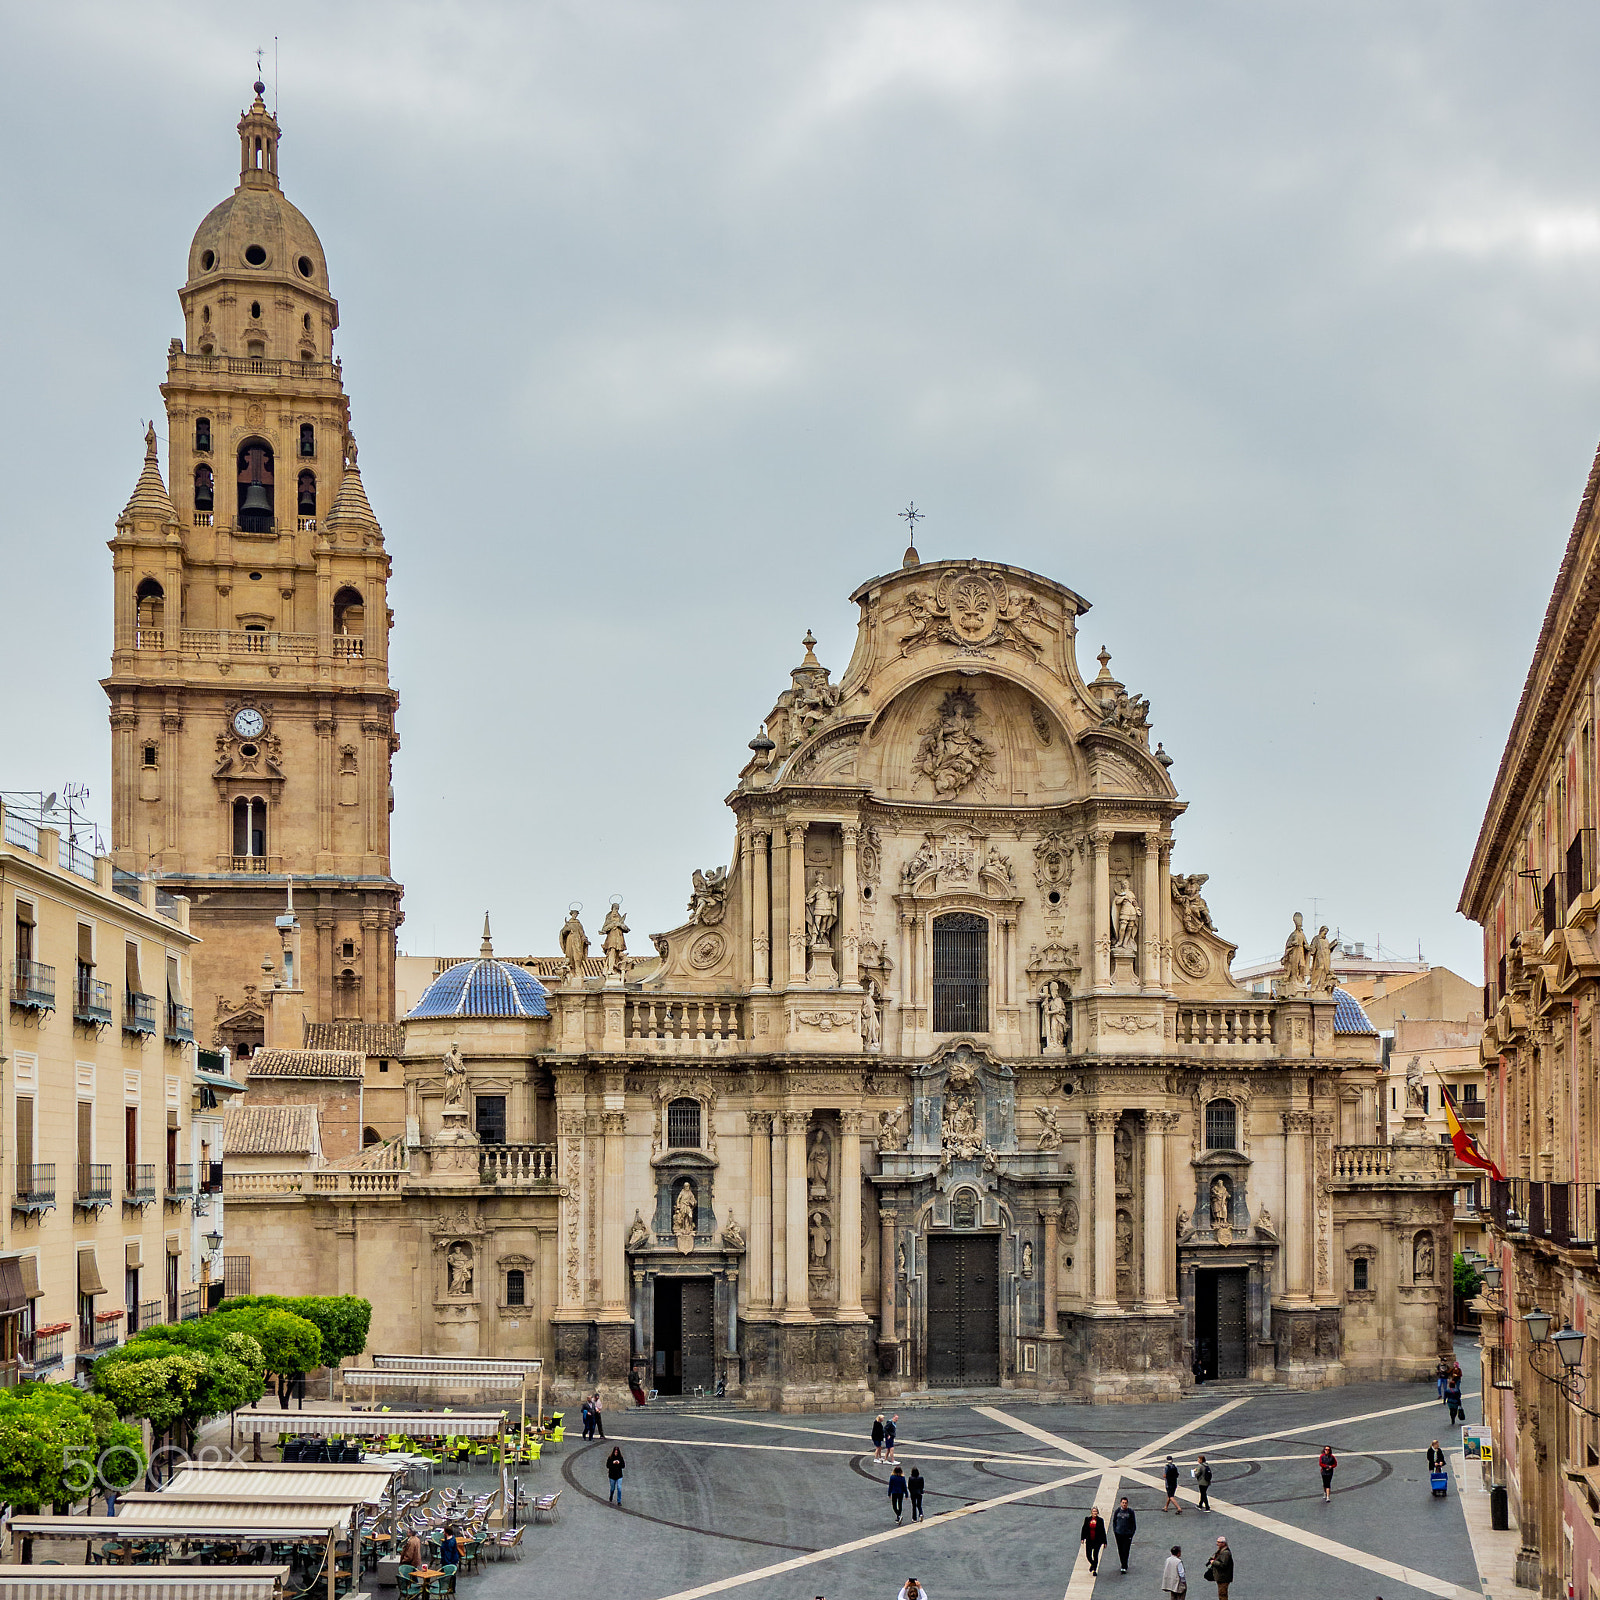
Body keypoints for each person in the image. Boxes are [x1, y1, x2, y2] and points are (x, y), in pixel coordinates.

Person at [1112, 1495, 1137, 1574]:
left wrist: (1131, 1534)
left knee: (1126, 1550)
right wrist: (1115, 1531)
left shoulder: (1130, 1512)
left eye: (1125, 1503)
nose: (1124, 1504)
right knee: (1120, 1549)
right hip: (1119, 1534)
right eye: (1123, 1503)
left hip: (1127, 1534)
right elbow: (1114, 1521)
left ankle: (1124, 1565)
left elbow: (1133, 1524)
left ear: (1127, 1504)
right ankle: (1123, 1563)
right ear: (1120, 1503)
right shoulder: (1117, 1511)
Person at [1203, 1536, 1233, 1600]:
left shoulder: (1225, 1553)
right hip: (1221, 1577)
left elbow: (1223, 1565)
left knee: (1223, 1594)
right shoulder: (1221, 1551)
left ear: (1223, 1543)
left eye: (1219, 1542)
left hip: (1224, 1578)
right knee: (1221, 1593)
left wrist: (1213, 1562)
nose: (1217, 1544)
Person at [1080, 1507, 1108, 1575]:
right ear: (1091, 1512)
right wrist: (1082, 1538)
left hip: (1097, 1540)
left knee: (1095, 1555)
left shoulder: (1100, 1520)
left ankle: (1094, 1570)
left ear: (1097, 1513)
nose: (1094, 1513)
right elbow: (1084, 1528)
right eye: (1093, 1511)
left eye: (1096, 1511)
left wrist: (1105, 1541)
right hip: (1089, 1540)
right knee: (1088, 1555)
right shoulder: (1087, 1519)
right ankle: (1093, 1564)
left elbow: (1102, 1531)